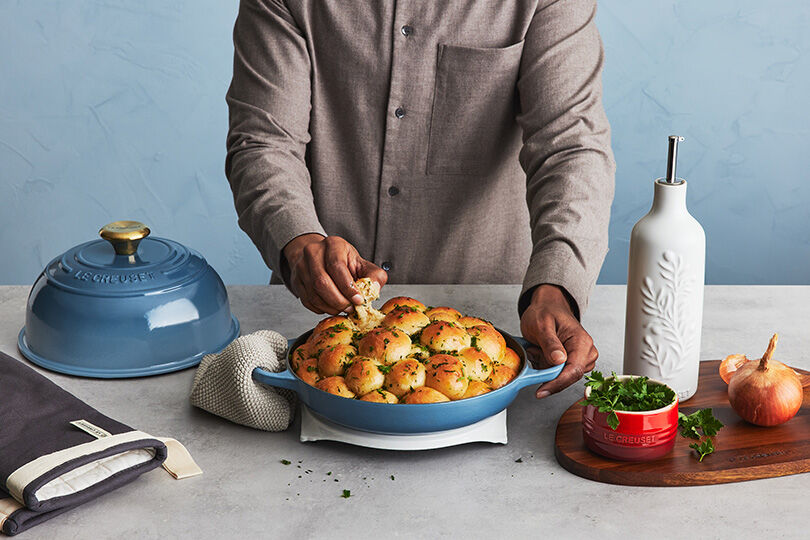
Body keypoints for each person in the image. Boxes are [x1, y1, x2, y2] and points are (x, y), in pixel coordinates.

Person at [225, 0, 615, 399]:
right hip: (312, 321)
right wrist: (299, 241)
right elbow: (263, 142)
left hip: (502, 325)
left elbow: (572, 146)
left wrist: (556, 288)